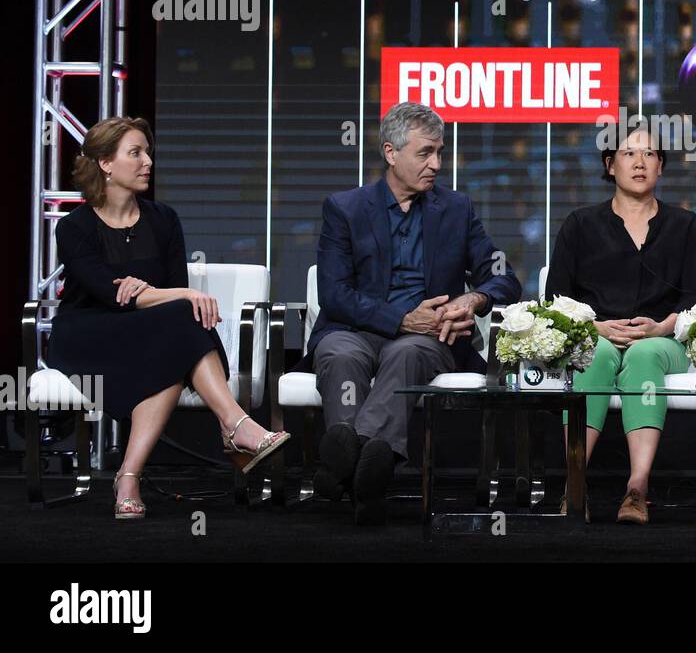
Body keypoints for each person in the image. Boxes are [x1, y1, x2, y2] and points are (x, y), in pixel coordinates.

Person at [47, 117, 289, 521]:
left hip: (145, 331)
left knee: (176, 334)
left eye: (148, 153)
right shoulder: (74, 227)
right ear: (105, 163)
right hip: (87, 333)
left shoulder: (163, 219)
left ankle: (129, 478)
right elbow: (110, 293)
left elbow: (165, 292)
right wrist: (180, 293)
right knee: (180, 321)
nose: (147, 163)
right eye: (135, 153)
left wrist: (156, 292)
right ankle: (235, 428)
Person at [308, 102, 521, 524]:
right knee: (338, 353)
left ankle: (347, 461)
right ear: (391, 153)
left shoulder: (456, 210)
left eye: (440, 153)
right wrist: (401, 319)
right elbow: (333, 294)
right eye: (425, 153)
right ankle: (367, 469)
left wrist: (472, 300)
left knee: (406, 354)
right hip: (357, 327)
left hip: (430, 337)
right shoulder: (345, 208)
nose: (436, 164)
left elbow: (503, 277)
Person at [545, 124, 696, 523]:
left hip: (662, 339)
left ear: (661, 168)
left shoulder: (684, 225)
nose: (640, 162)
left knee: (645, 354)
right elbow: (556, 299)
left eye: (650, 154)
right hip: (596, 335)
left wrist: (659, 327)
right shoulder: (581, 224)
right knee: (593, 356)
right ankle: (576, 484)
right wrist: (596, 328)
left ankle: (637, 488)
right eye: (628, 153)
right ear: (610, 164)